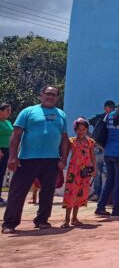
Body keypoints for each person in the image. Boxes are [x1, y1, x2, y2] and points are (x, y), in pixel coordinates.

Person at [2, 86, 69, 234]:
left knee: (48, 192)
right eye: (48, 94)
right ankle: (10, 223)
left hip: (51, 160)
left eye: (54, 95)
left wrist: (63, 159)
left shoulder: (61, 115)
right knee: (18, 192)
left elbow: (64, 139)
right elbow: (16, 135)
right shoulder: (28, 112)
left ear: (57, 98)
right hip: (27, 159)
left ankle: (42, 220)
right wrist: (13, 157)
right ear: (41, 95)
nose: (50, 97)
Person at [95, 97, 119, 217]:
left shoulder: (109, 115)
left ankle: (100, 207)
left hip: (108, 151)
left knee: (109, 181)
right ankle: (116, 210)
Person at [61, 117, 97, 228]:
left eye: (83, 129)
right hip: (73, 171)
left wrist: (94, 169)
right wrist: (62, 163)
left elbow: (92, 156)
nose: (81, 132)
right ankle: (66, 219)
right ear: (75, 130)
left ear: (86, 130)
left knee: (80, 194)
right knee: (70, 193)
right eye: (78, 129)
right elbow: (66, 154)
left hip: (84, 172)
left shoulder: (90, 142)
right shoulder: (71, 141)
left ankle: (75, 218)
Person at [88, 100, 115, 201]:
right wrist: (91, 138)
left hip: (107, 149)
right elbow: (85, 122)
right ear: (105, 108)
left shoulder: (113, 119)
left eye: (113, 107)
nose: (112, 109)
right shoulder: (99, 117)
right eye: (110, 107)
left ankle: (107, 195)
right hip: (97, 149)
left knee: (107, 173)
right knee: (97, 173)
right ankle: (97, 194)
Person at [0, 102, 13, 207]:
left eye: (10, 110)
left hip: (7, 150)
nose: (9, 112)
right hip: (0, 150)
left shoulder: (8, 122)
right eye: (7, 110)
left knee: (1, 173)